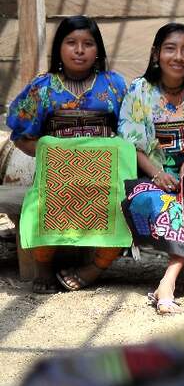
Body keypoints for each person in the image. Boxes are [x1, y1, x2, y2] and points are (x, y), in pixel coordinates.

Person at [6, 15, 127, 293]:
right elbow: (21, 136)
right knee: (39, 206)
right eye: (71, 42)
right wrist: (58, 157)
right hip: (57, 178)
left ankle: (96, 267)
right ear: (59, 48)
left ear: (99, 50)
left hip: (105, 177)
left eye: (88, 43)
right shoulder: (43, 87)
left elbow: (129, 132)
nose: (80, 50)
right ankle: (44, 267)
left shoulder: (114, 85)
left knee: (124, 206)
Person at [118, 22, 184, 314]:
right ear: (156, 53)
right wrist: (157, 174)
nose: (179, 57)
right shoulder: (140, 89)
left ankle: (168, 279)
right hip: (150, 171)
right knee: (158, 201)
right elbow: (132, 143)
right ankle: (181, 265)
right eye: (170, 49)